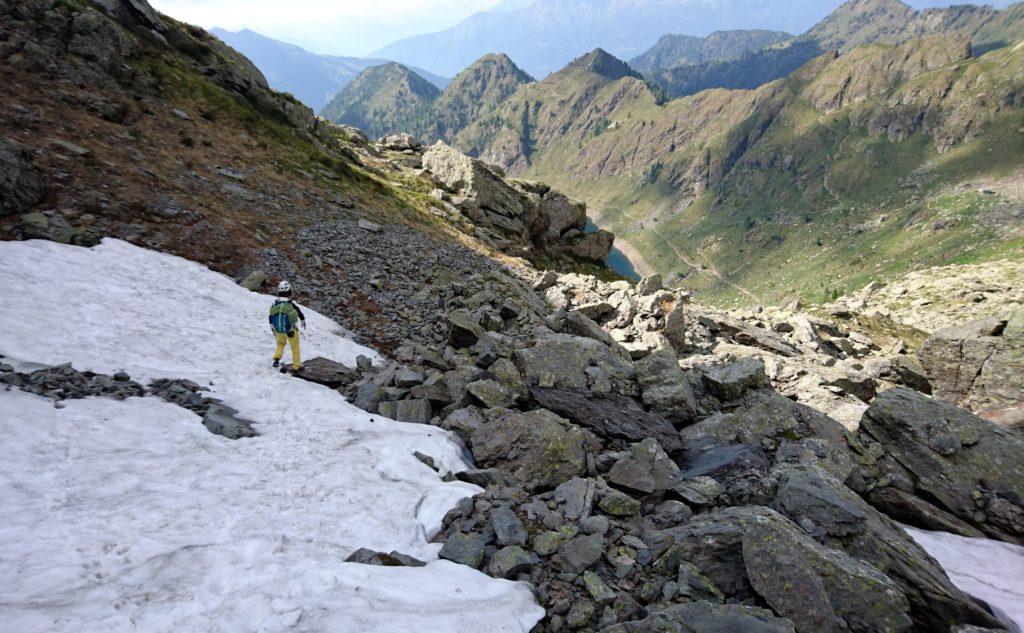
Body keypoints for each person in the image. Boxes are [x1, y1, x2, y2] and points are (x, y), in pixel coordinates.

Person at [269, 280, 306, 372]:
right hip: (290, 330)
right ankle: (297, 366)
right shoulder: (291, 302)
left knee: (281, 344)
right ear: (289, 290)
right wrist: (303, 320)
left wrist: (273, 328)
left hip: (278, 329)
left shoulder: (275, 302)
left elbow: (271, 315)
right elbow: (299, 312)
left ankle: (277, 359)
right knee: (295, 347)